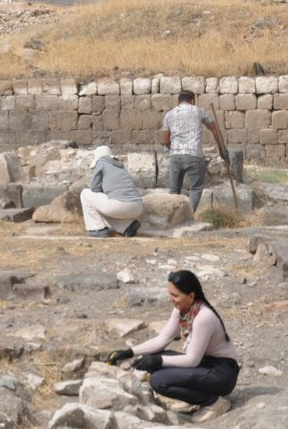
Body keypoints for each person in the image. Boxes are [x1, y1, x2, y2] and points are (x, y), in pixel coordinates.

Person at [106, 270, 239, 423]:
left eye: (175, 295)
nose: (170, 299)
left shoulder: (203, 317)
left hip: (221, 374)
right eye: (170, 294)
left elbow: (192, 361)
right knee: (150, 362)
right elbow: (163, 339)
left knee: (159, 381)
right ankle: (195, 399)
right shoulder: (182, 310)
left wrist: (158, 360)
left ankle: (213, 402)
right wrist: (129, 352)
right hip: (205, 364)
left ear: (191, 296)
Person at [162, 90, 228, 212]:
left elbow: (166, 140)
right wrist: (222, 149)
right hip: (194, 154)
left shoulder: (169, 115)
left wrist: (176, 150)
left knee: (174, 190)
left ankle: (171, 220)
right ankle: (188, 217)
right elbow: (215, 130)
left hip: (175, 156)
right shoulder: (199, 111)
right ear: (192, 100)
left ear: (178, 102)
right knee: (196, 188)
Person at [80, 145, 143, 238]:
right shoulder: (120, 166)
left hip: (121, 205)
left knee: (85, 193)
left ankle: (97, 229)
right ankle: (126, 226)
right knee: (104, 207)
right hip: (137, 206)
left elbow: (94, 187)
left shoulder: (101, 162)